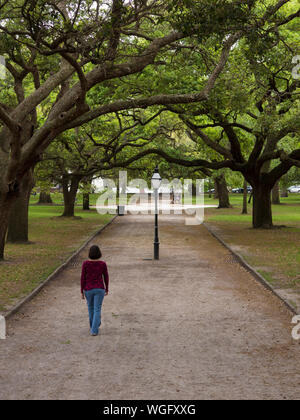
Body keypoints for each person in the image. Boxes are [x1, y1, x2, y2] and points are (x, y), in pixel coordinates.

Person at [81, 245, 109, 336]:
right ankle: (94, 329)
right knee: (97, 309)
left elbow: (82, 278)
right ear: (99, 253)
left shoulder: (85, 264)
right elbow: (106, 277)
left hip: (88, 289)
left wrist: (81, 290)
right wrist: (107, 288)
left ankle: (93, 325)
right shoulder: (102, 264)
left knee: (90, 307)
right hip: (99, 288)